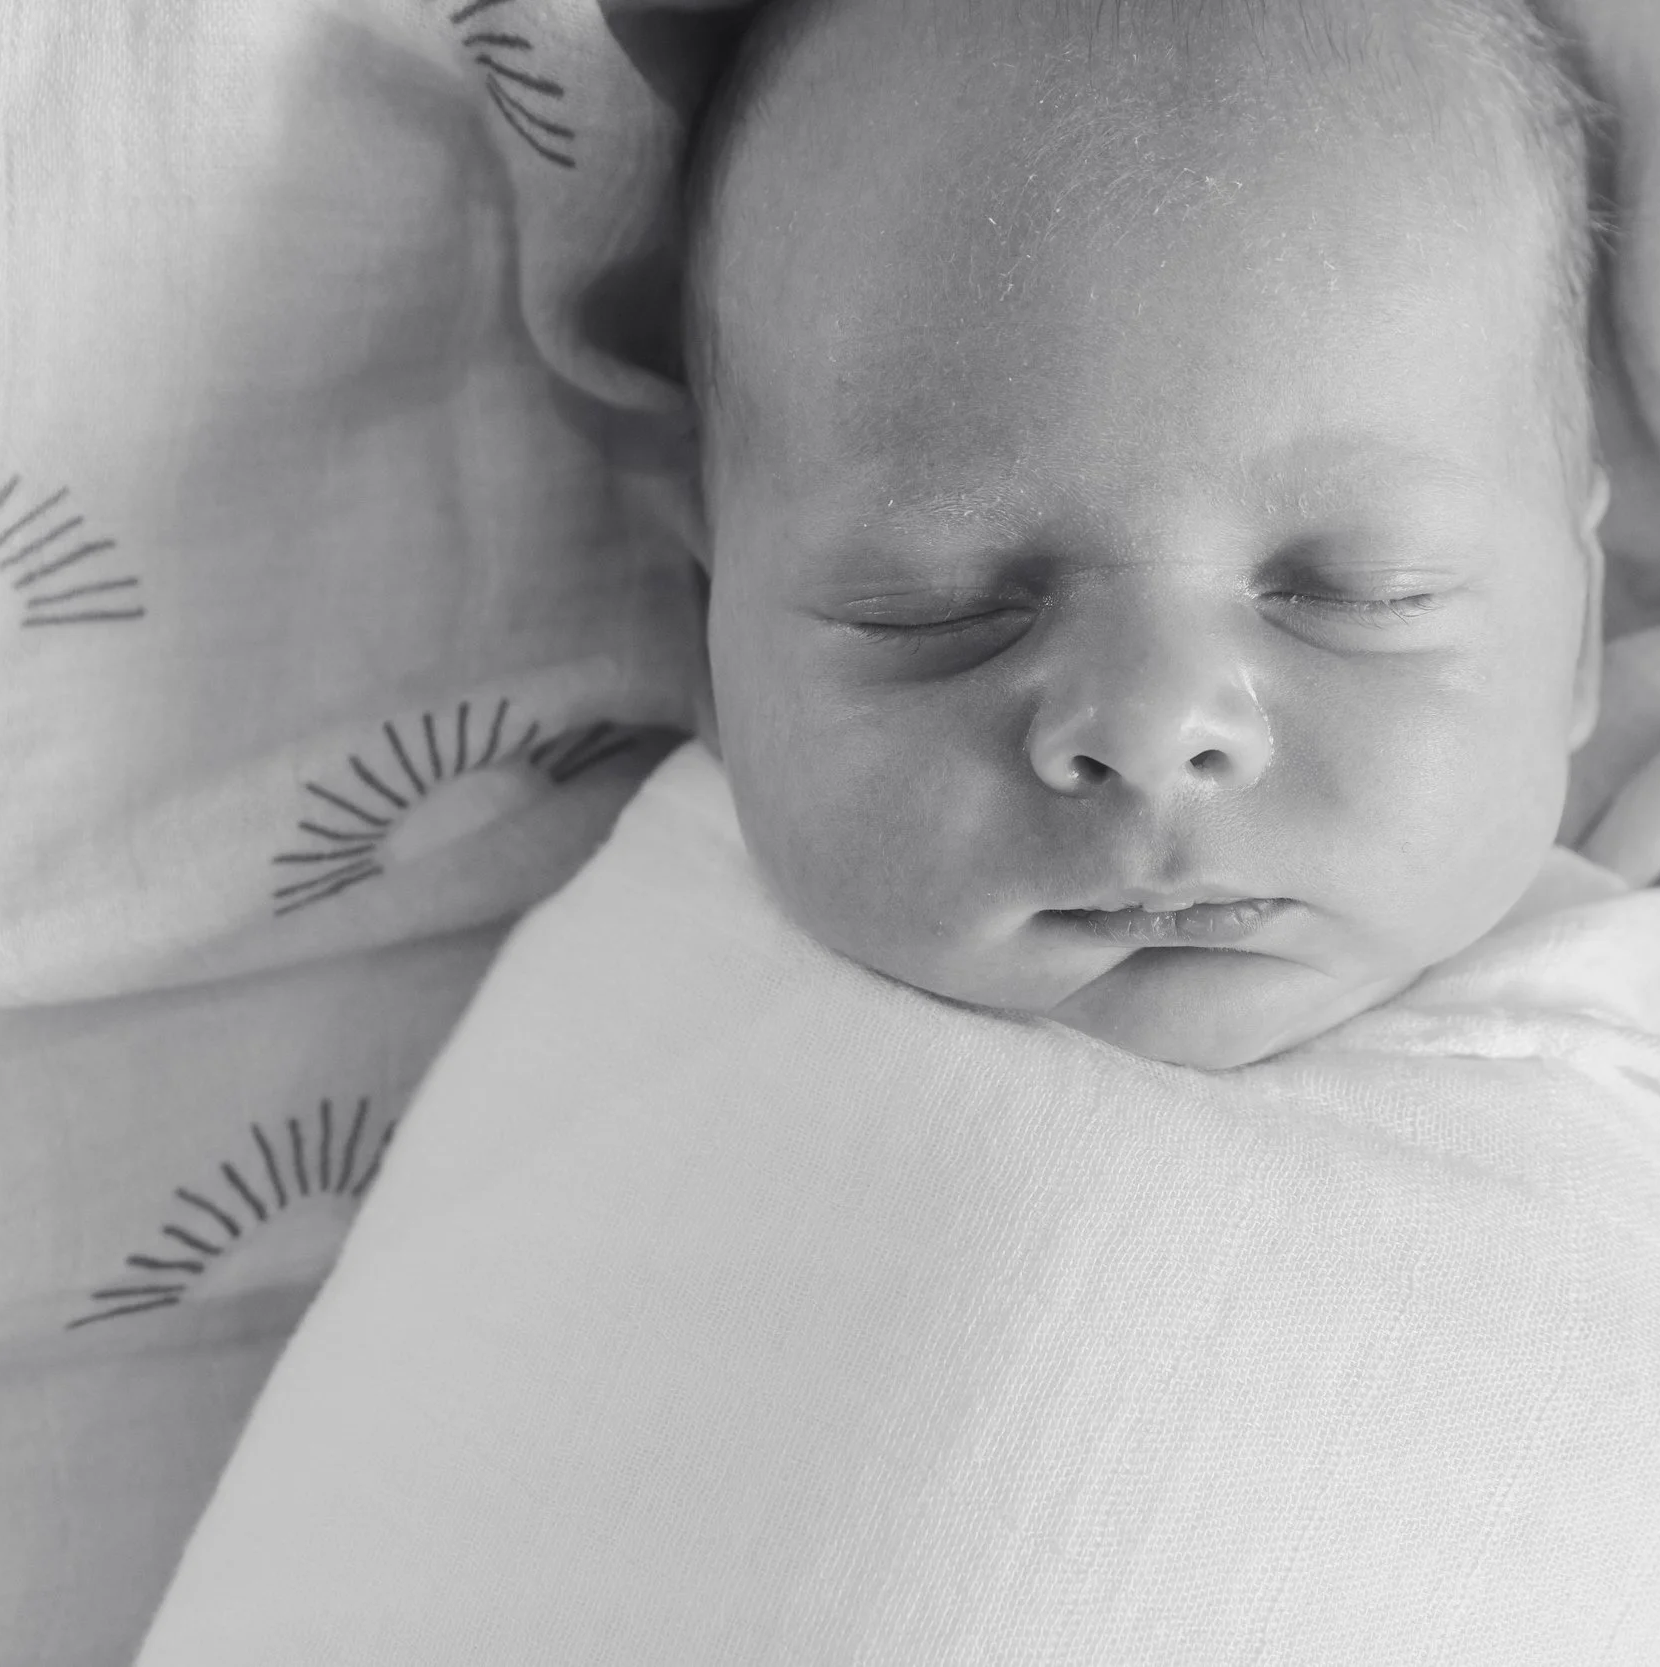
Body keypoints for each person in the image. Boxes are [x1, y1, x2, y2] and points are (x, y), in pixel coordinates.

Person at [682, 0, 1610, 1068]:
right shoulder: (620, 1011)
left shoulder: (1612, 1065)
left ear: (1580, 634)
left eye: (1365, 590)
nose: (1150, 729)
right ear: (699, 630)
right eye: (936, 605)